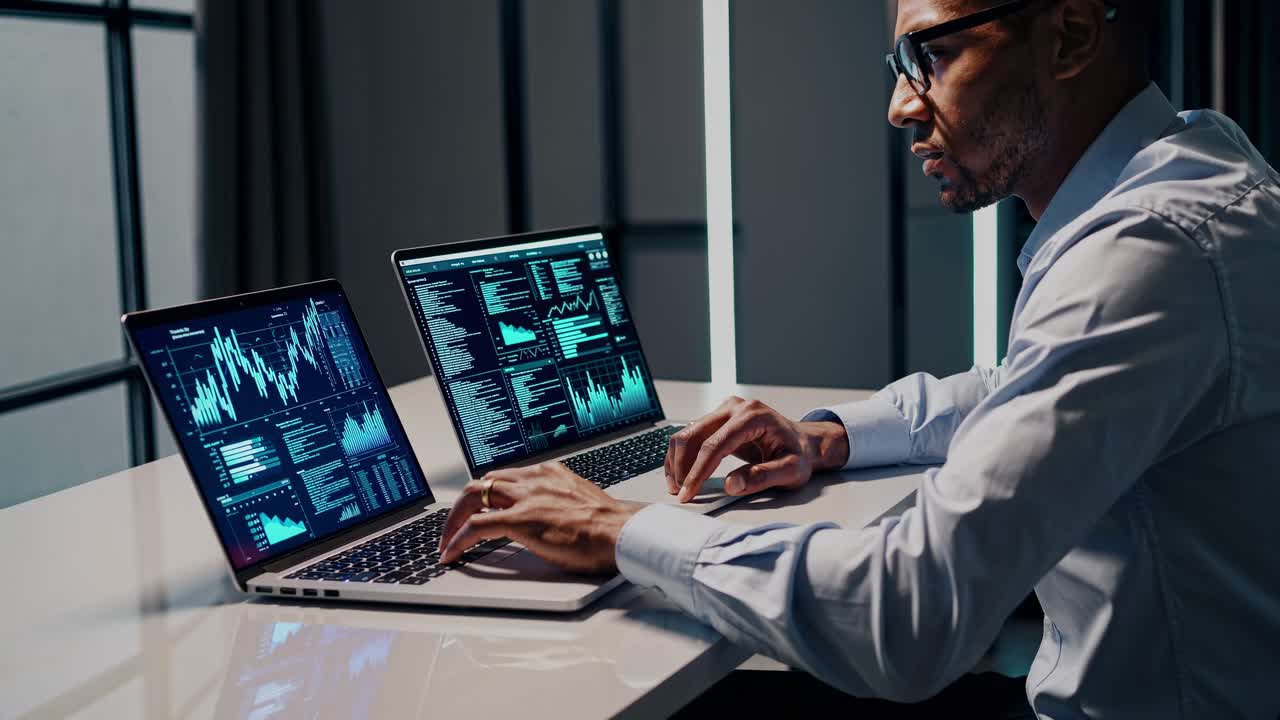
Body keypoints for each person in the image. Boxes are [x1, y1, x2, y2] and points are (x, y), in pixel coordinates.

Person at [438, 0, 1280, 715]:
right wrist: (833, 435)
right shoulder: (1198, 167)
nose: (901, 106)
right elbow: (1024, 385)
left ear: (1068, 38)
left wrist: (619, 528)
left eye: (935, 54)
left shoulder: (1147, 253)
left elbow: (907, 616)